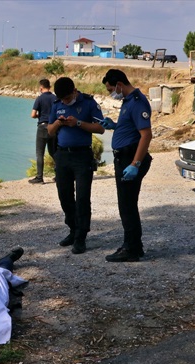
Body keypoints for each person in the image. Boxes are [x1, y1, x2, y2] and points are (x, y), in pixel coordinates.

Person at [100, 69, 153, 262]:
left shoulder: (138, 102)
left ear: (119, 85)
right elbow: (131, 126)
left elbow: (146, 134)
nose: (110, 93)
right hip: (123, 157)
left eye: (110, 89)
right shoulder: (128, 101)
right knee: (127, 204)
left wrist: (135, 164)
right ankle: (133, 246)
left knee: (127, 205)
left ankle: (131, 249)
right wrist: (115, 126)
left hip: (129, 158)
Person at [47, 77, 105, 254]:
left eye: (67, 98)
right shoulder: (57, 104)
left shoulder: (88, 102)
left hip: (82, 156)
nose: (65, 101)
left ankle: (81, 236)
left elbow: (100, 128)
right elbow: (49, 130)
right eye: (62, 99)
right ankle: (72, 229)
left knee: (82, 197)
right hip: (63, 155)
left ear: (74, 91)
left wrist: (78, 123)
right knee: (64, 195)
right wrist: (59, 122)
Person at [29, 79, 58, 184]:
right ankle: (59, 175)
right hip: (53, 127)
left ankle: (39, 177)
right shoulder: (55, 98)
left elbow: (32, 115)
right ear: (49, 87)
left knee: (40, 153)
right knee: (53, 152)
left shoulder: (39, 99)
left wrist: (39, 116)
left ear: (41, 87)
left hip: (42, 127)